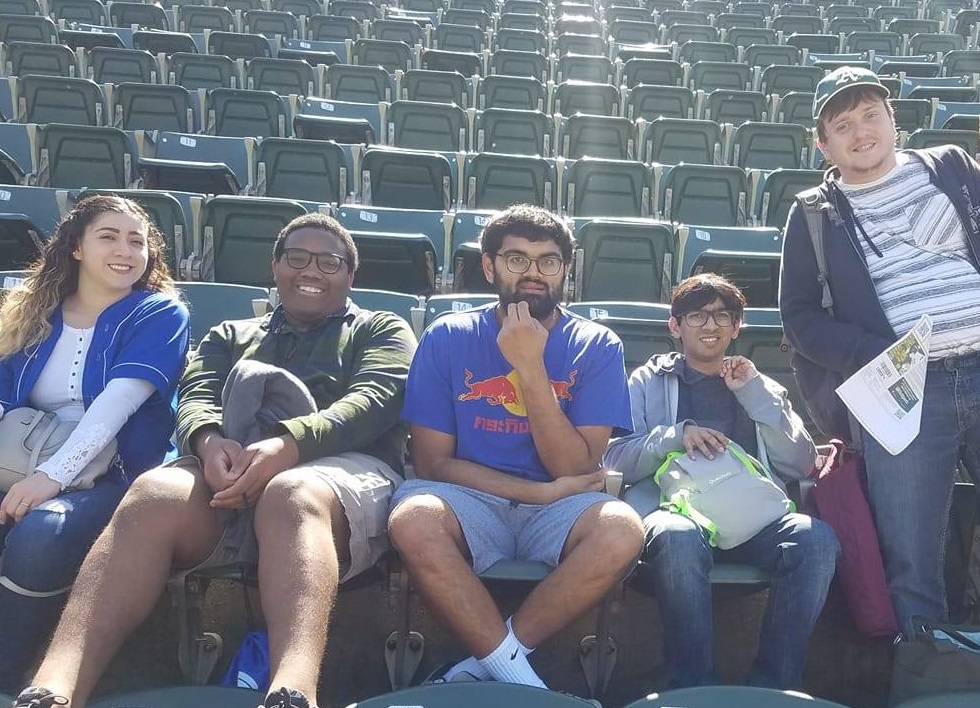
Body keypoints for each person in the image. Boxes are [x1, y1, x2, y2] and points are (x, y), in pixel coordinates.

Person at [12, 213, 417, 708]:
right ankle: (54, 687)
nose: (312, 271)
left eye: (330, 262)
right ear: (275, 266)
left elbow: (373, 401)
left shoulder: (382, 329)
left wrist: (286, 447)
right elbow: (197, 394)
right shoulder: (230, 333)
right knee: (153, 493)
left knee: (291, 493)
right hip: (227, 473)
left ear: (349, 275)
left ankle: (292, 691)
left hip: (341, 472)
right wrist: (206, 443)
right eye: (297, 258)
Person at [387, 204, 644, 694]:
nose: (533, 272)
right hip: (471, 498)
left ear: (567, 270)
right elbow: (432, 463)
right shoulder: (448, 334)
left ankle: (488, 666)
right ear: (489, 267)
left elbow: (573, 464)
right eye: (516, 259)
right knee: (413, 517)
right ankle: (525, 684)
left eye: (548, 260)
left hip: (565, 500)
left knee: (620, 529)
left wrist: (529, 367)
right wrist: (536, 493)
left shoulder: (597, 344)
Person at [779, 65, 980, 634]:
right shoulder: (814, 211)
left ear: (894, 121)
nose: (861, 132)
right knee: (911, 556)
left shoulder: (952, 168)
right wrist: (880, 351)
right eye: (843, 124)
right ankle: (922, 674)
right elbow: (799, 317)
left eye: (871, 115)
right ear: (824, 144)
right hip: (906, 392)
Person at [604, 274, 839, 690]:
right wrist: (677, 435)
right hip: (675, 512)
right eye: (696, 315)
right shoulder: (647, 381)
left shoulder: (760, 386)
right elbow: (614, 457)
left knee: (815, 540)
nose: (710, 325)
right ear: (675, 326)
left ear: (737, 326)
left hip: (751, 518)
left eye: (722, 316)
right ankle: (692, 686)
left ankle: (773, 686)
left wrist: (754, 395)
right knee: (677, 537)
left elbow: (801, 463)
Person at [0, 195, 190, 693]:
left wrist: (52, 478)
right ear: (77, 247)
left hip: (113, 472)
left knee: (41, 532)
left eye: (137, 240)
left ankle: (8, 673)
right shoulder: (32, 312)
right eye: (108, 236)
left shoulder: (159, 314)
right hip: (20, 462)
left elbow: (118, 405)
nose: (125, 250)